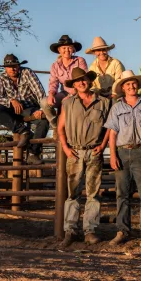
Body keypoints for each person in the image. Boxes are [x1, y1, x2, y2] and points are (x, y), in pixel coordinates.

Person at [104, 70, 141, 248]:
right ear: (123, 87)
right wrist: (112, 155)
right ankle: (122, 230)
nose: (131, 86)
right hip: (122, 152)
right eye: (127, 84)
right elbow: (112, 133)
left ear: (138, 84)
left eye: (133, 83)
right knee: (122, 194)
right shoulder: (117, 107)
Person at [58, 67, 111, 248]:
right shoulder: (67, 103)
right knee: (72, 193)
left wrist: (103, 145)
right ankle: (70, 230)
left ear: (89, 81)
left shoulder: (103, 102)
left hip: (94, 151)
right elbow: (60, 128)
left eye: (84, 80)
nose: (81, 83)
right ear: (73, 85)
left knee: (93, 193)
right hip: (74, 151)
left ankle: (90, 230)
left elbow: (110, 127)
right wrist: (65, 148)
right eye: (77, 81)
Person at [0, 54, 49, 165]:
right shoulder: (0, 78)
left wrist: (41, 108)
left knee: (44, 120)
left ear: (18, 65)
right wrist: (11, 100)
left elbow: (39, 91)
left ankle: (33, 153)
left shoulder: (27, 73)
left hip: (29, 108)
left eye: (15, 65)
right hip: (11, 109)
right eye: (9, 67)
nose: (12, 69)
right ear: (5, 68)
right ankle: (23, 130)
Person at [41, 35, 88, 132]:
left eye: (69, 47)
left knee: (68, 103)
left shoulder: (80, 61)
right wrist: (51, 94)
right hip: (64, 92)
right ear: (59, 50)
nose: (67, 50)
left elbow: (84, 78)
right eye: (64, 48)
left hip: (78, 92)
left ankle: (68, 129)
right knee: (44, 102)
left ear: (73, 49)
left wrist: (72, 95)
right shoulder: (55, 65)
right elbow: (53, 82)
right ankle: (55, 126)